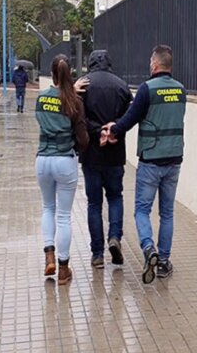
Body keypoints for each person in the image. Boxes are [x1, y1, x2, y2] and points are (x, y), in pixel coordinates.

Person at [102, 45, 186, 284]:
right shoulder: (181, 90)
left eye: (151, 61)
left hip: (151, 160)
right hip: (174, 159)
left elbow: (130, 119)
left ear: (155, 64)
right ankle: (164, 262)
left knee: (142, 210)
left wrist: (113, 130)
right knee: (167, 212)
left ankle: (149, 249)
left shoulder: (147, 89)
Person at [35, 54, 89, 285]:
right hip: (64, 160)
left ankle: (49, 254)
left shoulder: (41, 98)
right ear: (70, 74)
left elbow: (45, 115)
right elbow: (83, 139)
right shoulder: (74, 102)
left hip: (42, 160)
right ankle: (63, 269)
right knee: (64, 216)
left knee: (48, 207)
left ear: (52, 74)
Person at [78, 50, 133, 269]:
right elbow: (129, 117)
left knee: (94, 204)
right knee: (115, 197)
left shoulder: (83, 85)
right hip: (115, 153)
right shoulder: (122, 86)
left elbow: (79, 118)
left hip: (91, 154)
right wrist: (113, 129)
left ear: (90, 63)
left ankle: (97, 254)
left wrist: (98, 130)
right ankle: (115, 237)